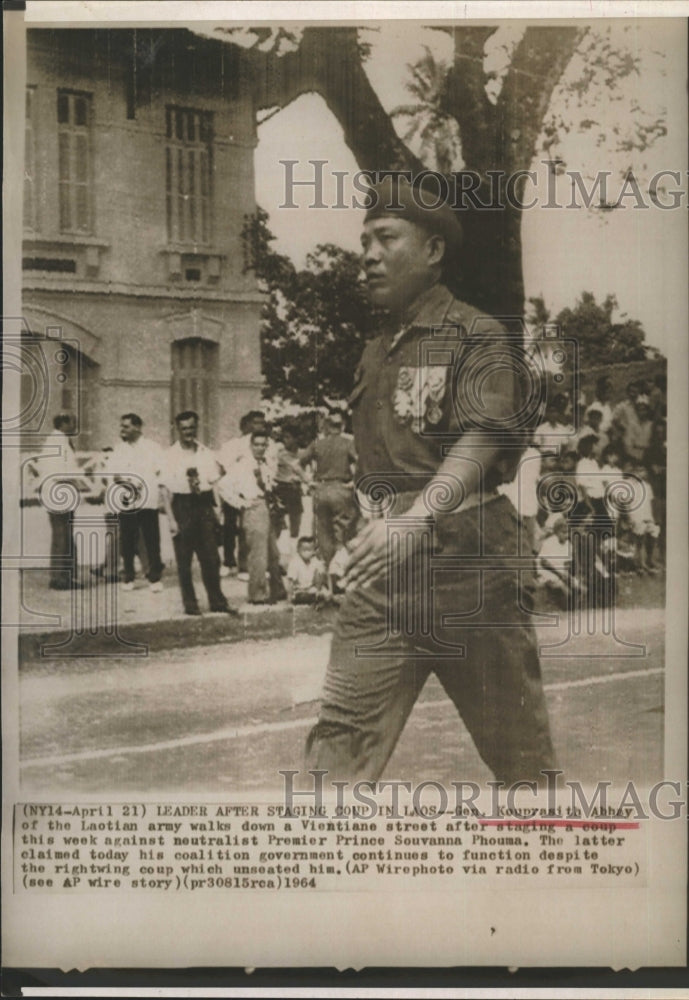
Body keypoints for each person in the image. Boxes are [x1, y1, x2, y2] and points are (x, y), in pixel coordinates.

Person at [304, 174, 556, 784]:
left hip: (471, 567)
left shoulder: (477, 335)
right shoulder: (374, 350)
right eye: (363, 240)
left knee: (522, 761)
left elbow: (485, 440)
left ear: (434, 252)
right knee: (337, 749)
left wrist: (414, 520)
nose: (367, 255)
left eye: (386, 238)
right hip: (387, 578)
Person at [159, 411, 236, 616]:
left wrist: (218, 509)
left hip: (204, 505)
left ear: (197, 427)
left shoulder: (205, 453)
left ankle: (217, 601)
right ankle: (190, 604)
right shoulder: (169, 456)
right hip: (182, 505)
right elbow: (165, 491)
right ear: (177, 430)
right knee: (184, 559)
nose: (188, 432)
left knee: (211, 557)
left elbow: (214, 483)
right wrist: (172, 520)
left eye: (191, 428)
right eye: (183, 428)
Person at [219, 429, 286, 605]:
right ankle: (257, 594)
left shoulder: (267, 463)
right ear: (250, 445)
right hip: (253, 507)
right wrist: (241, 503)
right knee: (258, 554)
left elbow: (270, 484)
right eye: (256, 445)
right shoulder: (241, 465)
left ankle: (278, 589)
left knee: (273, 552)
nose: (260, 448)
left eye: (263, 445)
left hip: (268, 506)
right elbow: (223, 486)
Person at [107, 413, 165, 592]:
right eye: (121, 426)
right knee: (127, 540)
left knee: (151, 539)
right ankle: (128, 577)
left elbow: (159, 471)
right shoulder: (119, 449)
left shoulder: (152, 447)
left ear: (138, 427)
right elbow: (114, 474)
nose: (122, 430)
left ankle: (154, 578)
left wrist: (143, 485)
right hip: (127, 501)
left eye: (126, 426)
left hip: (147, 500)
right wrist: (127, 485)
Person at [300, 412, 357, 568]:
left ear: (326, 426)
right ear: (343, 426)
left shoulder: (318, 443)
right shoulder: (348, 443)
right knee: (342, 534)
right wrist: (354, 482)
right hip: (341, 489)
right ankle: (340, 574)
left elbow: (296, 464)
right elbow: (362, 463)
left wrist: (308, 481)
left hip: (321, 489)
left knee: (323, 533)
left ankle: (326, 574)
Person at [35, 412, 85, 590]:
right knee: (62, 535)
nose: (75, 426)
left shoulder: (59, 441)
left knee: (63, 535)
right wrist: (78, 480)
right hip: (59, 493)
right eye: (73, 422)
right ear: (63, 423)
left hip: (61, 493)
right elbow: (61, 472)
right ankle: (60, 578)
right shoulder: (57, 442)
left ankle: (63, 576)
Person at [273, 422, 309, 544]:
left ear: (296, 438)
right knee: (277, 520)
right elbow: (297, 468)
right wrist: (308, 480)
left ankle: (294, 545)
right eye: (284, 437)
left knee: (296, 518)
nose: (285, 440)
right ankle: (274, 546)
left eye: (288, 437)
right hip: (281, 487)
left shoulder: (302, 453)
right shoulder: (282, 453)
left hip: (294, 488)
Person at [286, 537, 328, 605]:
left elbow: (323, 573)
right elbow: (291, 582)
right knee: (302, 596)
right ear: (298, 550)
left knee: (324, 592)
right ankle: (315, 598)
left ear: (313, 551)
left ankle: (317, 596)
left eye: (310, 550)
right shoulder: (295, 562)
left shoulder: (314, 560)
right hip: (299, 590)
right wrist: (289, 600)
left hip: (311, 588)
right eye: (304, 550)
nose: (307, 552)